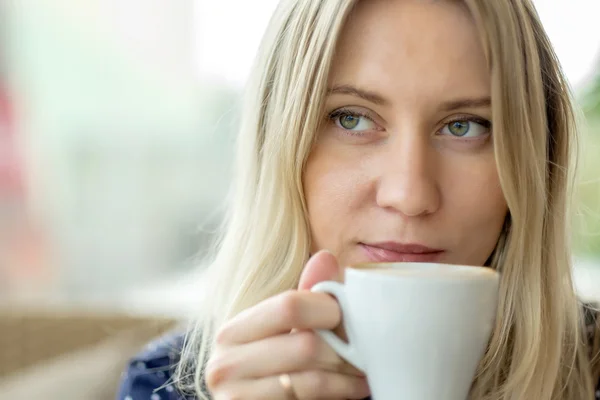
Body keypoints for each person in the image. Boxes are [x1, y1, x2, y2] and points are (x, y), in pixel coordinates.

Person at [117, 0, 600, 399]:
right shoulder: (168, 383)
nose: (409, 195)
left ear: (536, 158)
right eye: (352, 119)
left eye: (464, 126)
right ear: (281, 145)